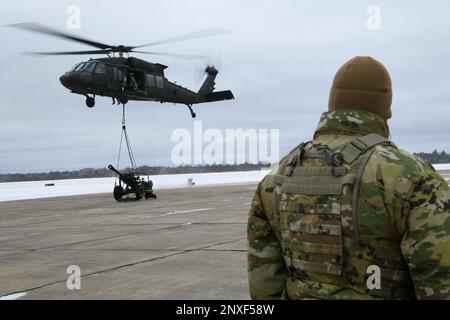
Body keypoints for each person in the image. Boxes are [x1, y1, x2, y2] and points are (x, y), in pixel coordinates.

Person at [247, 56, 450, 300]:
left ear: (333, 102)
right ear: (385, 108)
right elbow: (440, 281)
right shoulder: (411, 176)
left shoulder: (275, 178)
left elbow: (263, 284)